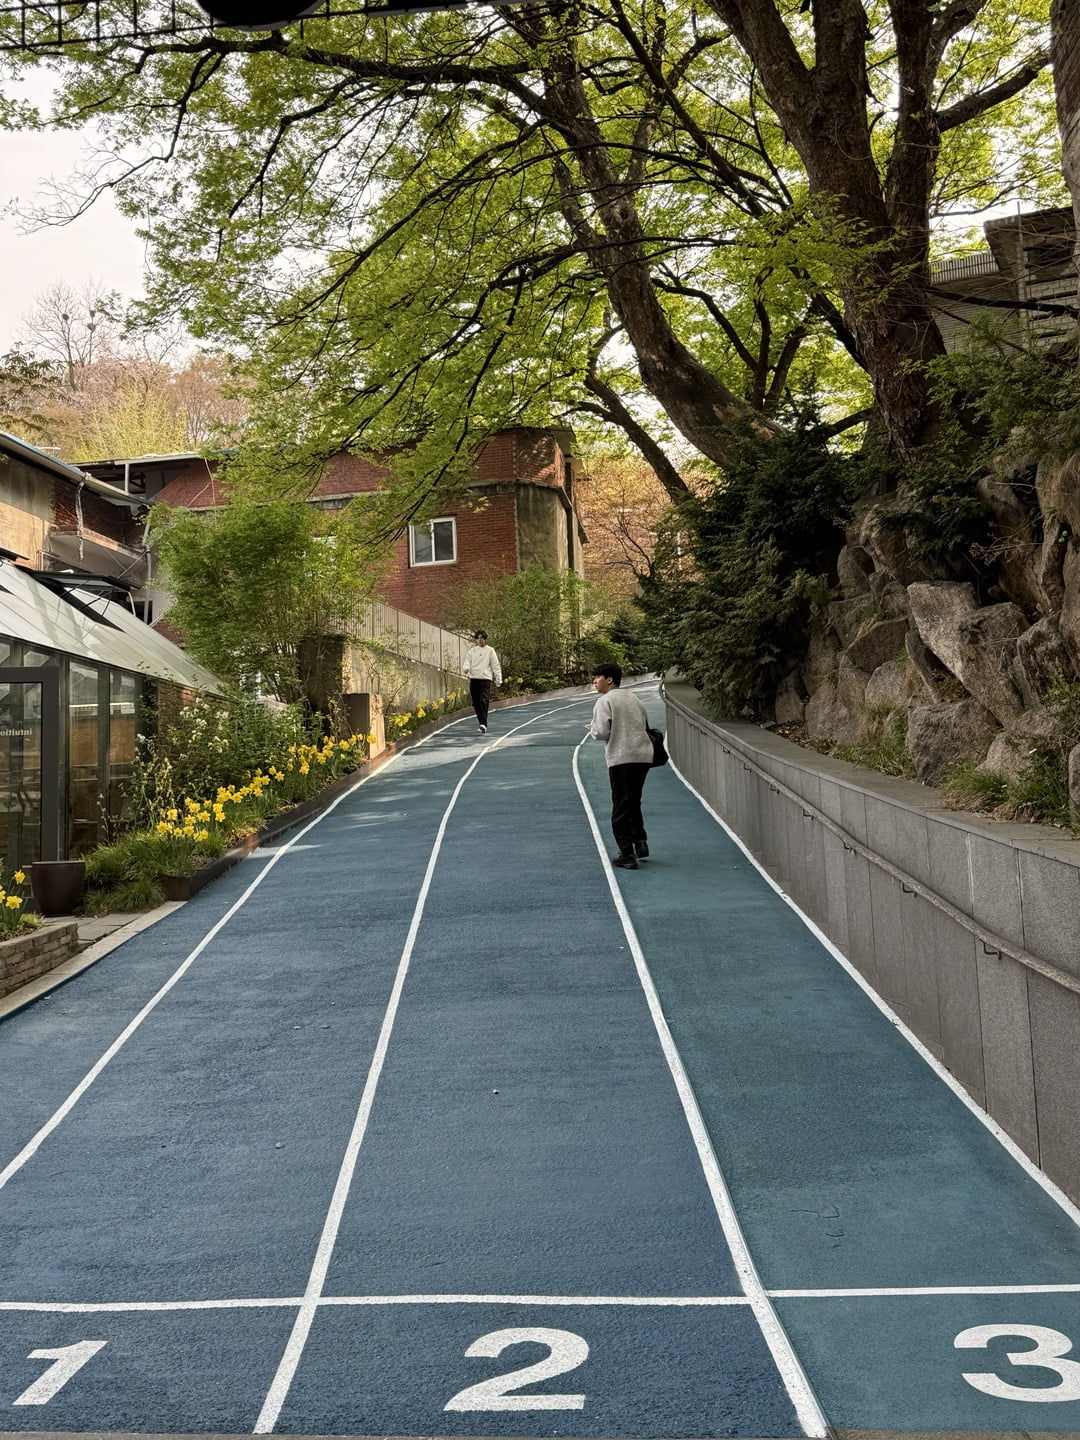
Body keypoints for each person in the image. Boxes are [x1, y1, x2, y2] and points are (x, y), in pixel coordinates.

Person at [588, 662, 654, 869]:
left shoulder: (605, 701)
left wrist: (591, 728)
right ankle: (640, 841)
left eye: (597, 677)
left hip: (621, 756)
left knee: (620, 806)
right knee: (633, 800)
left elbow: (601, 732)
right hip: (642, 755)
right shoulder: (633, 697)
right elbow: (644, 723)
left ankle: (626, 853)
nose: (594, 682)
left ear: (609, 679)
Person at [463, 630, 502, 733]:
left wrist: (498, 679)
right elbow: (467, 661)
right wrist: (466, 668)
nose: (480, 640)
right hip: (474, 678)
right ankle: (481, 723)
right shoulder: (472, 651)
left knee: (483, 700)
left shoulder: (490, 650)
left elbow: (495, 665)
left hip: (485, 679)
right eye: (478, 638)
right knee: (476, 702)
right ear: (476, 640)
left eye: (482, 638)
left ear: (485, 639)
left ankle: (484, 724)